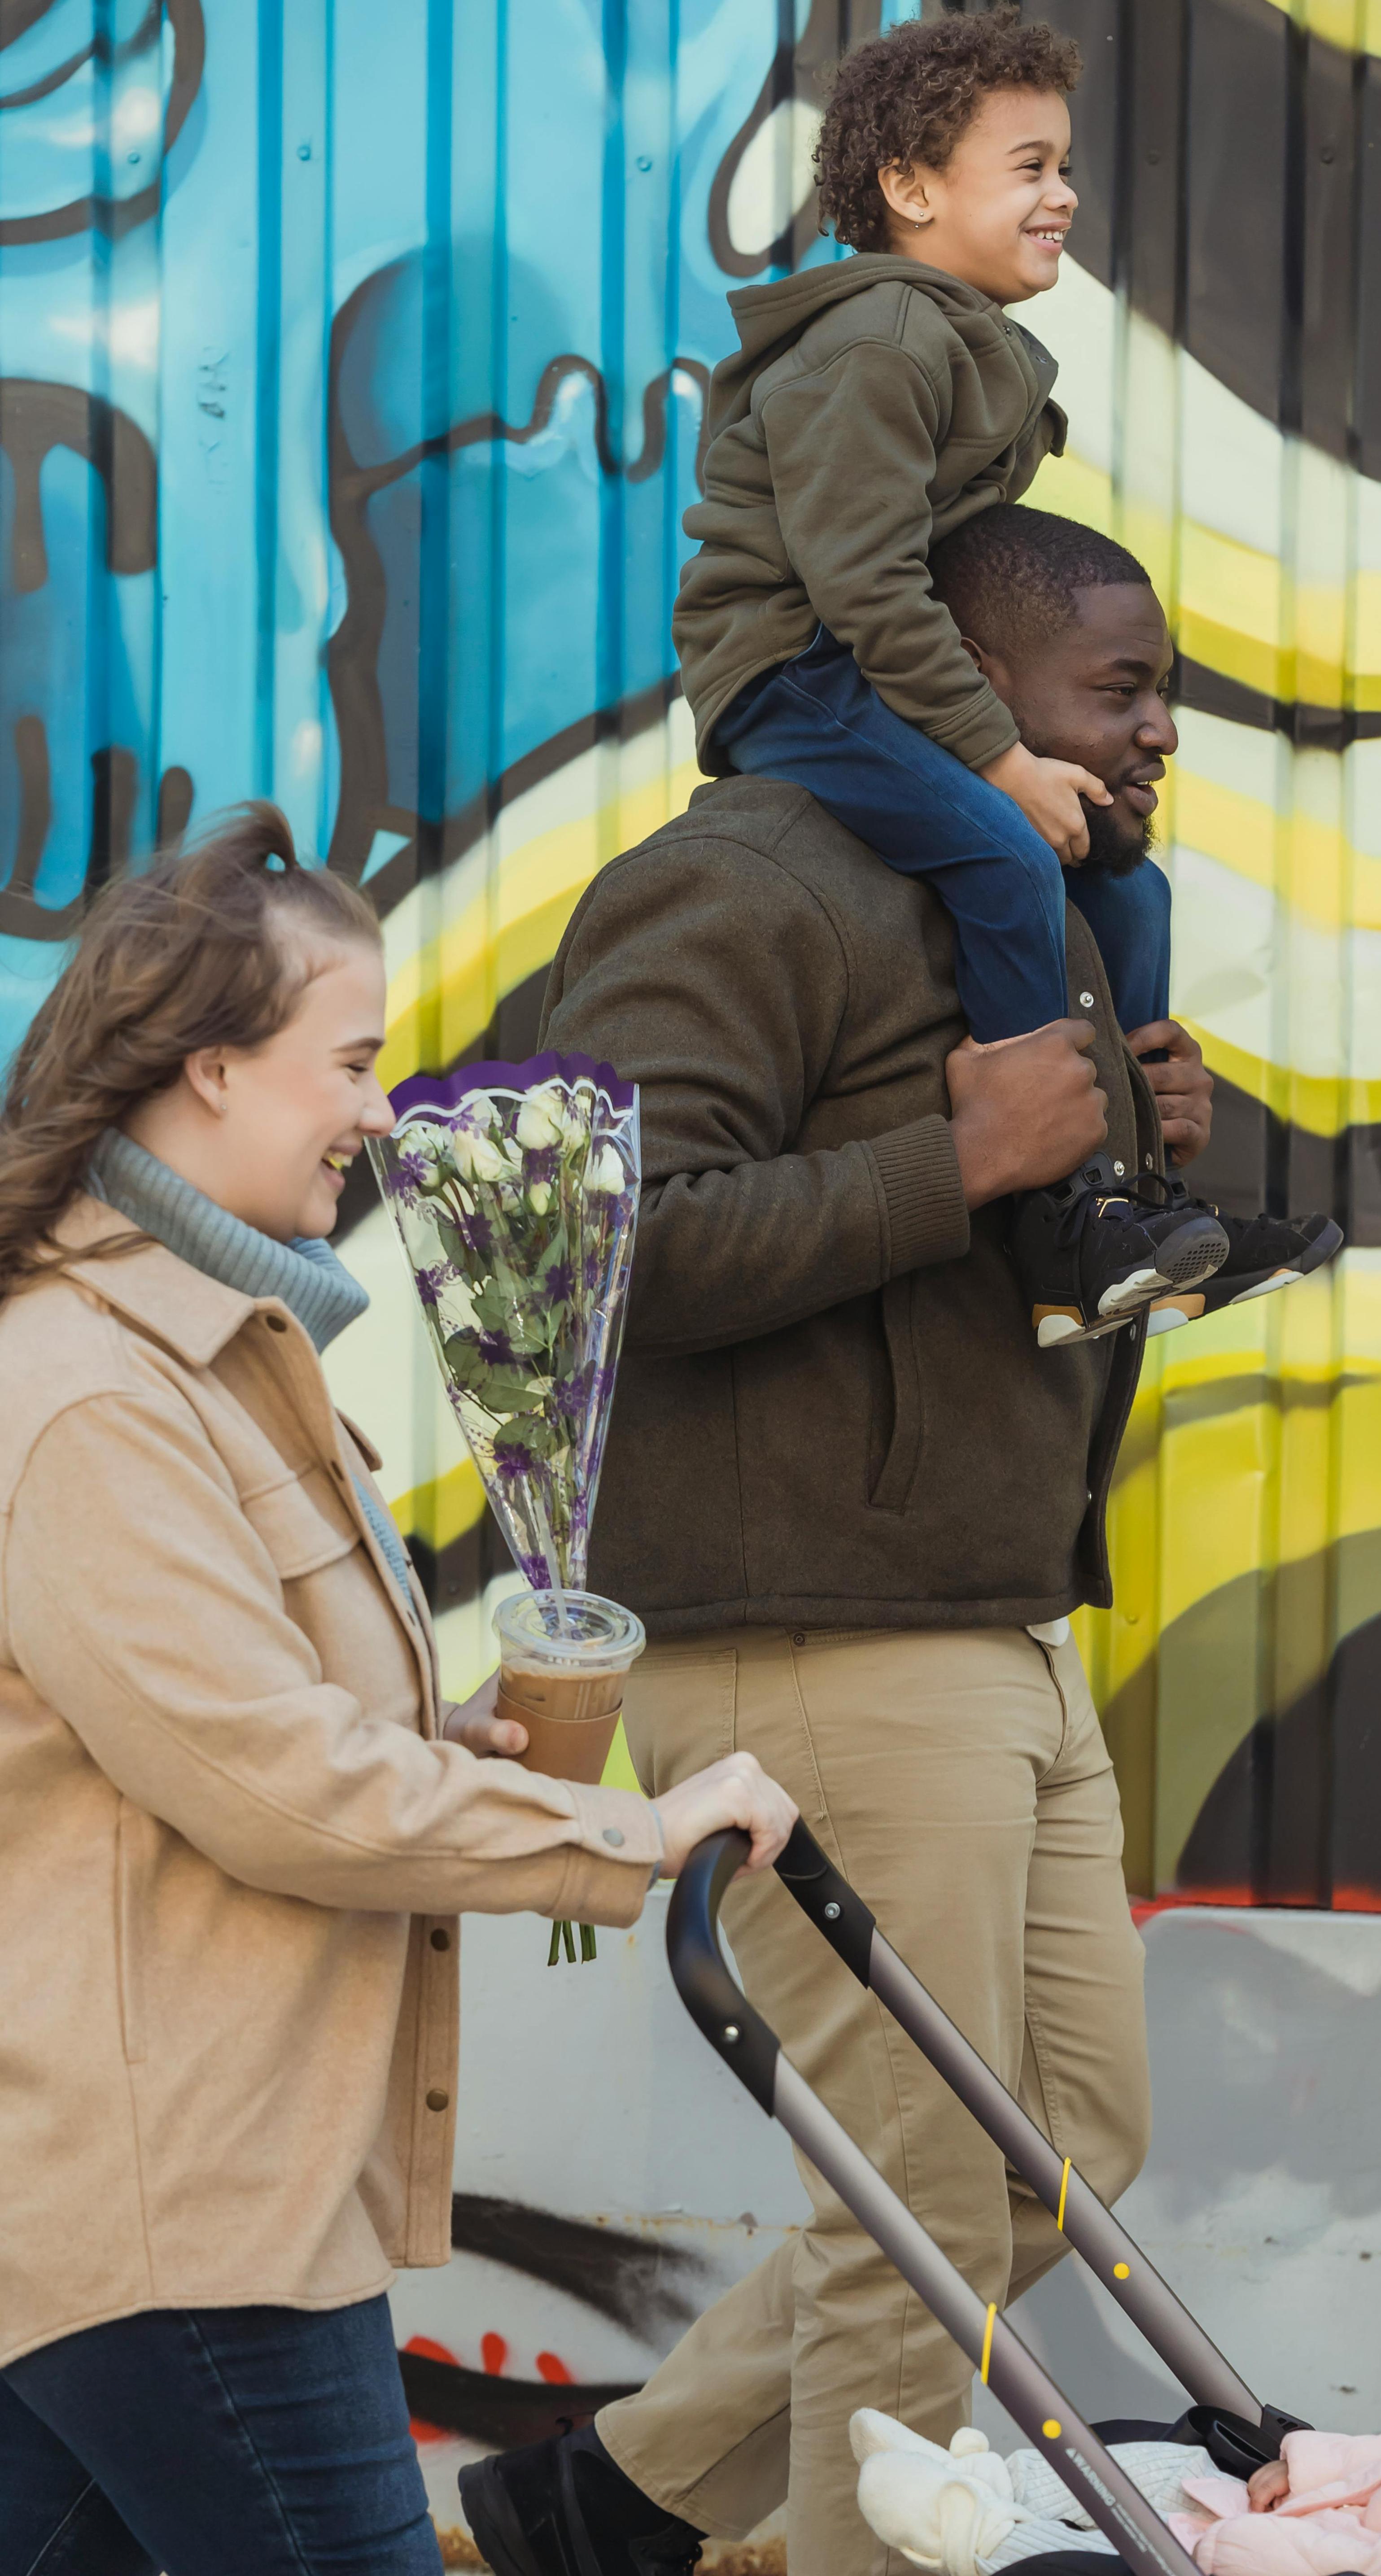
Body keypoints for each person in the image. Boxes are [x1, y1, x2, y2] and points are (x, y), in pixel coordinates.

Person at [459, 513, 1333, 2576]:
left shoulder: (1025, 905)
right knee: (926, 2205)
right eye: (1120, 693)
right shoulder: (741, 883)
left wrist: (1113, 1162)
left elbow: (977, 1252)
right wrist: (967, 1157)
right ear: (960, 680)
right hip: (816, 1640)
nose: (1158, 740)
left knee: (1051, 2168)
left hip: (993, 1621)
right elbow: (616, 1248)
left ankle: (616, 2500)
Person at [0, 805, 797, 2576]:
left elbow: (196, 1734)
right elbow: (272, 1784)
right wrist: (631, 1830)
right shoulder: (95, 1394)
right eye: (349, 1061)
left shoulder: (210, 1360)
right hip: (193, 2223)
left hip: (176, 2198)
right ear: (208, 1067)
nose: (381, 1112)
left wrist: (434, 1741)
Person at [675, 4, 1232, 1345]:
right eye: (1028, 167)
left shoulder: (956, 340)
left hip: (868, 669)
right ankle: (1067, 1222)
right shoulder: (883, 343)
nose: (1066, 195)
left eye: (1065, 165)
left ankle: (1135, 1187)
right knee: (1004, 851)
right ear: (912, 190)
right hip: (794, 674)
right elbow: (866, 585)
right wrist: (1000, 758)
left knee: (1123, 873)